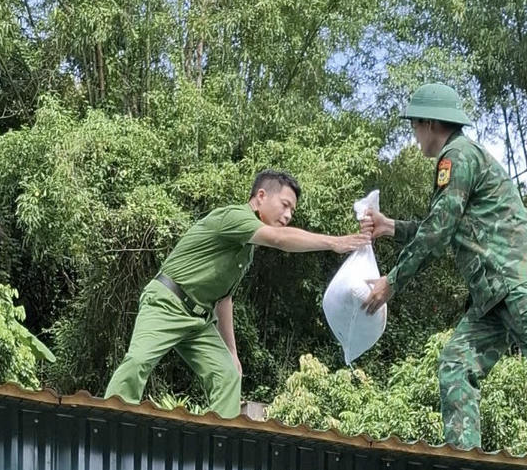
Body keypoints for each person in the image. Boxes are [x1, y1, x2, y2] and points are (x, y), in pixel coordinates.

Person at [360, 84, 527, 456]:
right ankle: (464, 460)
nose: (414, 136)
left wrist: (391, 283)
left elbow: (438, 232)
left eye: (414, 126)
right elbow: (444, 225)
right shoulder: (459, 158)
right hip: (493, 295)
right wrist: (390, 226)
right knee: (456, 364)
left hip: (518, 284)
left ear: (428, 123)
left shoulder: (456, 156)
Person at [105, 170, 367, 414]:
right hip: (167, 302)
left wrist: (232, 351)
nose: (288, 216)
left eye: (292, 211)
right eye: (285, 205)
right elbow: (279, 240)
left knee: (228, 374)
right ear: (261, 196)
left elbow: (224, 298)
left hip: (199, 320)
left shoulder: (246, 251)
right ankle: (109, 422)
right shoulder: (234, 217)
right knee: (138, 362)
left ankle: (220, 444)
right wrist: (335, 242)